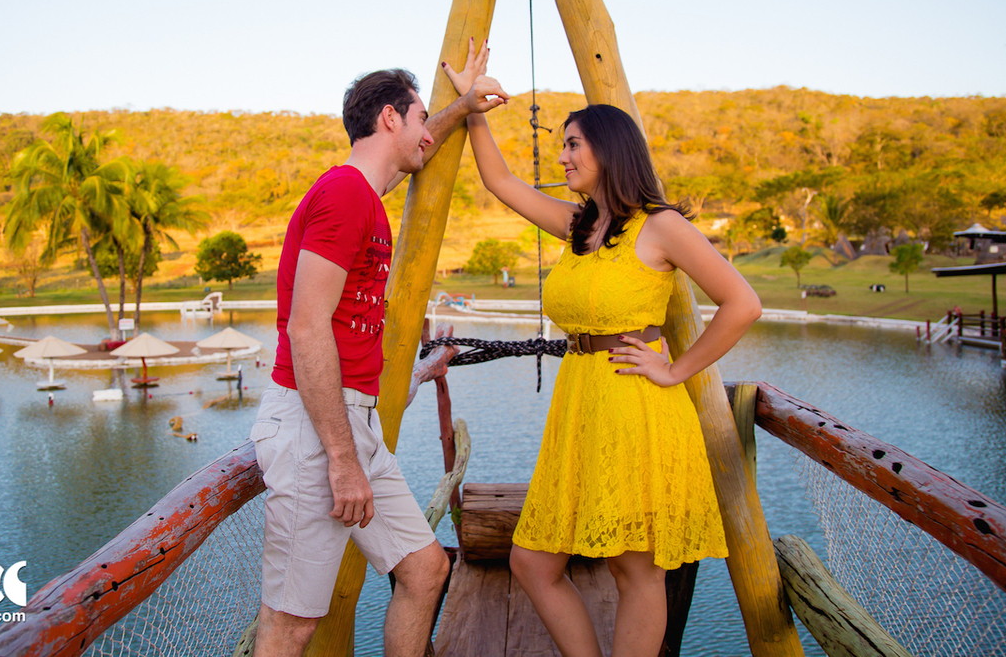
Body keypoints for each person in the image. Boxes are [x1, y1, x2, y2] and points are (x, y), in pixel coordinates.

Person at [443, 42, 761, 656]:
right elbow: (500, 181)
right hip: (580, 405)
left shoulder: (661, 226)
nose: (561, 156)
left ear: (608, 151)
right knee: (533, 561)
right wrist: (472, 105)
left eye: (572, 145)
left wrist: (676, 370)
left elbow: (742, 304)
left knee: (634, 570)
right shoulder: (579, 226)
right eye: (562, 144)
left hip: (637, 407)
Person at [251, 57, 509, 657]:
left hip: (353, 426)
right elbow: (307, 328)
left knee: (423, 570)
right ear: (389, 117)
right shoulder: (343, 195)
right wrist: (342, 461)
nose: (427, 133)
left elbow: (417, 149)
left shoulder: (365, 194)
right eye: (420, 117)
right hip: (316, 430)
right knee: (292, 625)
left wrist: (462, 109)